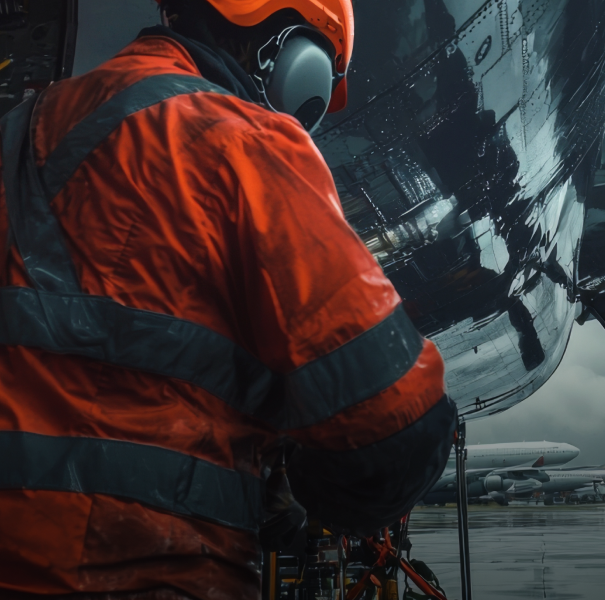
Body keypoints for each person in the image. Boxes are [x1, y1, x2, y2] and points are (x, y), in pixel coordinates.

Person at [0, 1, 455, 598]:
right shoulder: (241, 139)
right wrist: (302, 493)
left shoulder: (18, 130)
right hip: (144, 571)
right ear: (292, 56)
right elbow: (394, 428)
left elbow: (90, 361)